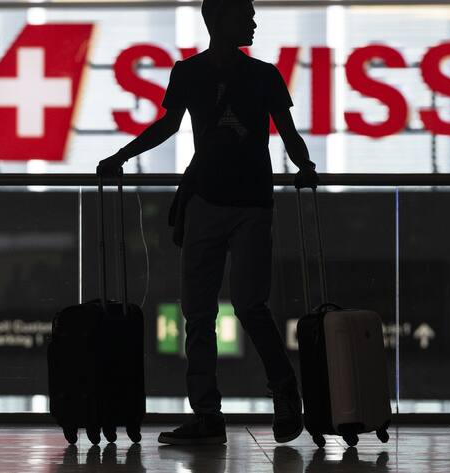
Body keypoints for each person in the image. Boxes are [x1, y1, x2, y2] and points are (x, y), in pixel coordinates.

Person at [97, 0, 319, 446]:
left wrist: (121, 158)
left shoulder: (193, 73)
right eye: (246, 14)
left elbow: (168, 126)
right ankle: (283, 396)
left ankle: (208, 415)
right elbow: (287, 132)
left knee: (201, 314)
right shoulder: (262, 75)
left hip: (211, 202)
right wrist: (304, 167)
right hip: (250, 202)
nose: (254, 22)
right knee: (243, 307)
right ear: (219, 20)